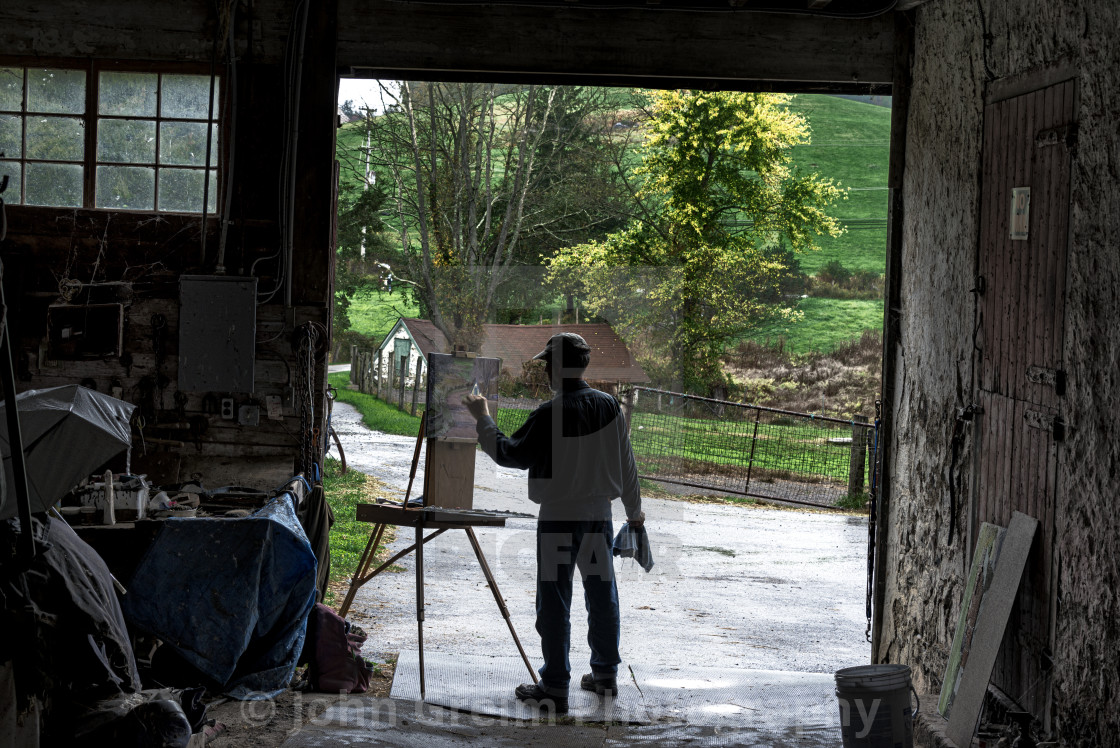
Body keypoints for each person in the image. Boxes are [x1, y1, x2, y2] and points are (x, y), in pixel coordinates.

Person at [462, 332, 644, 715]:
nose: (545, 371)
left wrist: (483, 420)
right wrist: (634, 512)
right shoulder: (610, 407)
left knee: (555, 600)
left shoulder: (549, 413)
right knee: (602, 596)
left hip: (559, 517)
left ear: (557, 368)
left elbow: (510, 454)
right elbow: (627, 464)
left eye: (547, 364)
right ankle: (605, 677)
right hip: (598, 517)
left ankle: (555, 687)